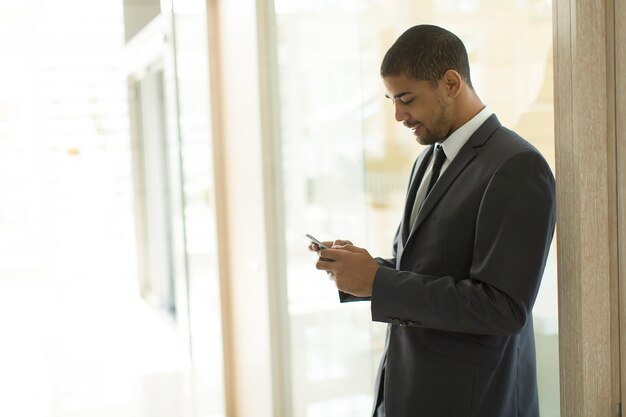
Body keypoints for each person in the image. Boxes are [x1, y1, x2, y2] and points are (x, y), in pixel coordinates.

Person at [309, 24, 556, 417]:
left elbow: (502, 308)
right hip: (406, 391)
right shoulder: (427, 160)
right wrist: (364, 269)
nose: (398, 115)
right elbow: (421, 271)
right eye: (391, 99)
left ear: (452, 83)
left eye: (406, 98)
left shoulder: (518, 166)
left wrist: (378, 281)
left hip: (472, 402)